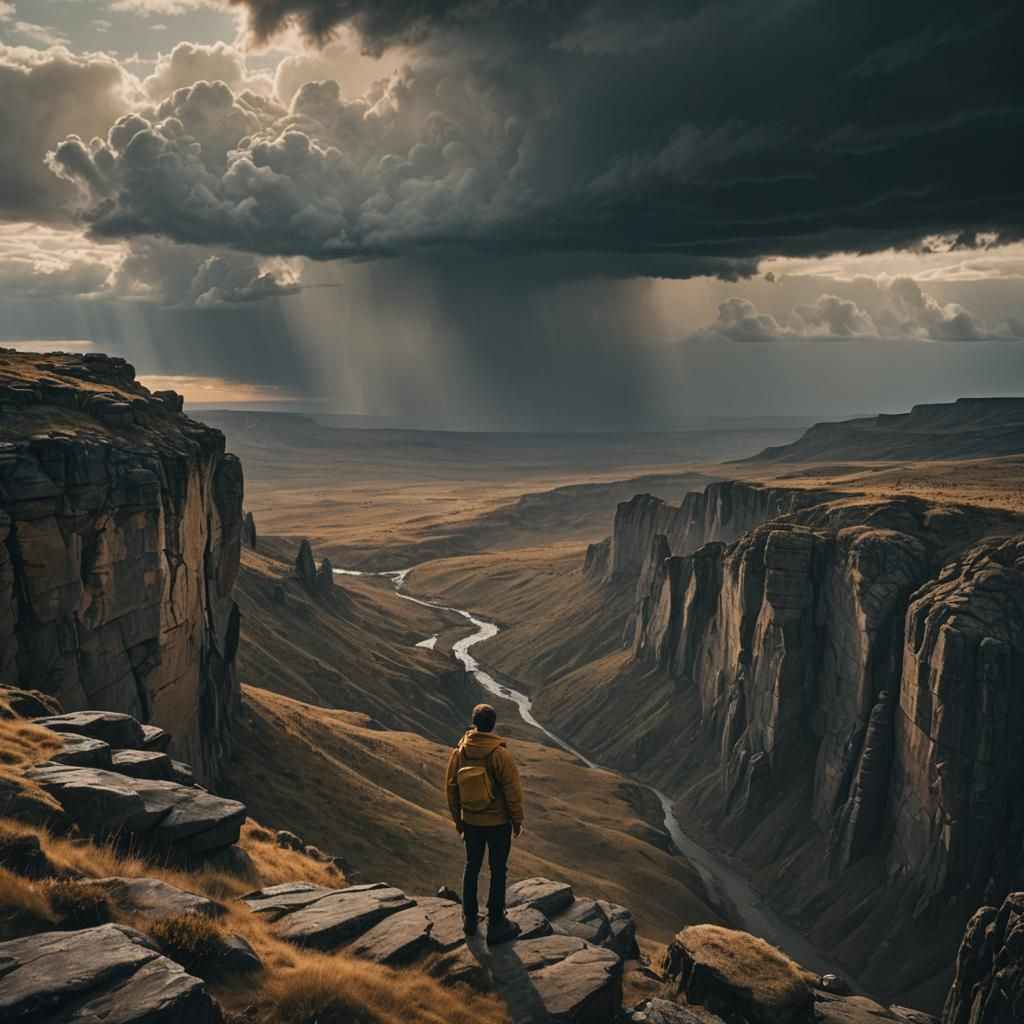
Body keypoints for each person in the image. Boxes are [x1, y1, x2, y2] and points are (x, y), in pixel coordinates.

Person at [445, 703, 525, 945]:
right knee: (498, 870)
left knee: (472, 866)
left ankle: (469, 918)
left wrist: (459, 822)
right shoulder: (500, 754)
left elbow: (451, 788)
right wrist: (517, 819)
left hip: (470, 821)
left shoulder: (460, 751)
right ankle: (496, 921)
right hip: (498, 822)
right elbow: (513, 790)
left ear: (474, 722)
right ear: (493, 724)